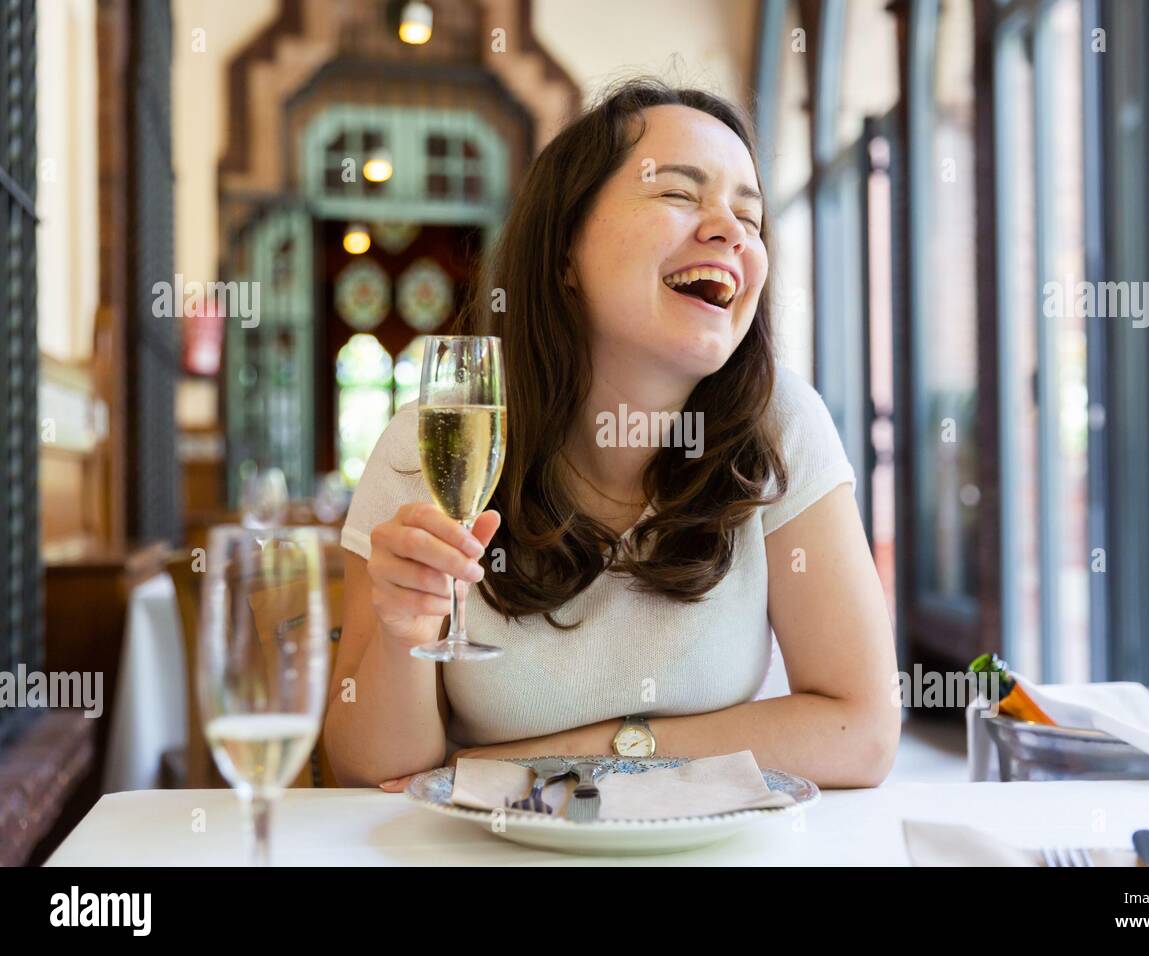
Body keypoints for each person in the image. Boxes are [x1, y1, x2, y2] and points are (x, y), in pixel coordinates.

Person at [323, 78, 899, 791]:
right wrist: (404, 635)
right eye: (679, 195)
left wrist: (580, 753)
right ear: (565, 251)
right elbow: (367, 771)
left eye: (749, 218)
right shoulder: (430, 446)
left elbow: (861, 731)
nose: (730, 230)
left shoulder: (780, 425)